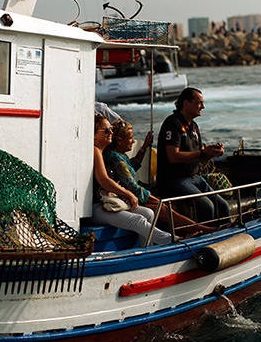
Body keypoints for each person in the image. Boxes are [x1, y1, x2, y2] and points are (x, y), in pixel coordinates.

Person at [103, 119, 215, 237]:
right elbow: (133, 187)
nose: (133, 141)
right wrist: (156, 200)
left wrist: (145, 146)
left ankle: (195, 231)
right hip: (129, 198)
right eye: (131, 138)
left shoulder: (119, 155)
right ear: (120, 140)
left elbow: (132, 166)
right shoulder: (116, 158)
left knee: (170, 208)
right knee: (164, 209)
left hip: (133, 197)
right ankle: (201, 230)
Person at [91, 114, 173, 247]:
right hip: (96, 207)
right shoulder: (95, 151)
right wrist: (128, 194)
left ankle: (146, 250)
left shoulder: (103, 152)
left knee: (148, 213)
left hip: (107, 201)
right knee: (138, 220)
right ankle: (172, 240)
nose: (110, 132)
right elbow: (104, 180)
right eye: (106, 130)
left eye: (111, 128)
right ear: (94, 135)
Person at [156, 87, 230, 225]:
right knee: (207, 206)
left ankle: (229, 236)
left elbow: (200, 155)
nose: (203, 106)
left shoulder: (194, 126)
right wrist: (202, 153)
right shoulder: (173, 123)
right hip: (174, 180)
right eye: (199, 103)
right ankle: (206, 237)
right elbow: (173, 156)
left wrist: (212, 152)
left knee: (223, 206)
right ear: (186, 103)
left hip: (194, 177)